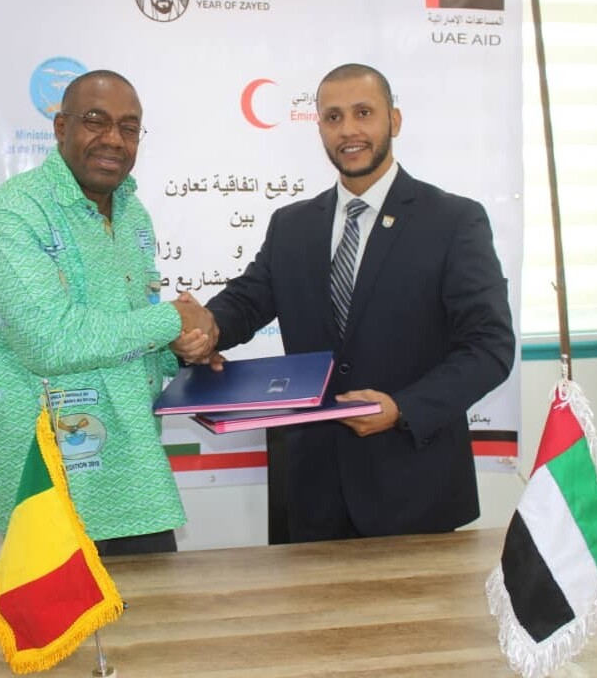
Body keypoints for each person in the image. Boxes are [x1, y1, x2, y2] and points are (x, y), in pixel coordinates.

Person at [179, 63, 515, 542]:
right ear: (319, 127)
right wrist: (204, 327)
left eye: (363, 113)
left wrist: (403, 407)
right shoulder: (292, 224)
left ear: (393, 120)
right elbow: (247, 301)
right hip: (312, 495)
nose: (348, 130)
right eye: (333, 117)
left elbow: (490, 347)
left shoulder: (454, 220)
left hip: (417, 491)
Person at [0, 69, 216, 556]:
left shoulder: (132, 213)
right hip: (50, 486)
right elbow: (50, 341)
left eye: (129, 127)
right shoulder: (14, 214)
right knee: (63, 612)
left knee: (156, 607)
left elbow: (132, 335)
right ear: (61, 128)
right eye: (96, 121)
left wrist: (183, 349)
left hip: (134, 480)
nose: (114, 139)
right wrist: (172, 320)